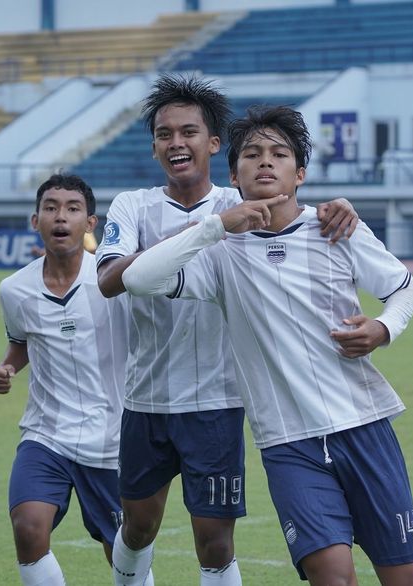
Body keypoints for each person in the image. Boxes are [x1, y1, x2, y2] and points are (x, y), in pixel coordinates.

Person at [120, 106, 413, 586]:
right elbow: (138, 279)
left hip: (364, 426)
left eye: (279, 153)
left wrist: (384, 327)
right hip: (289, 444)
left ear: (300, 172)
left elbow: (405, 288)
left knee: (405, 579)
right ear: (234, 175)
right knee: (332, 578)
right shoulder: (220, 255)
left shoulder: (337, 229)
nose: (265, 161)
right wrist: (213, 227)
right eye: (252, 154)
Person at [96, 74, 359, 586]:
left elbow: (303, 218)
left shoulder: (246, 200)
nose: (177, 143)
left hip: (217, 401)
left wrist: (340, 207)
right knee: (138, 527)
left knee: (214, 541)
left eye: (189, 131)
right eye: (165, 134)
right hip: (145, 399)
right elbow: (110, 280)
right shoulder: (134, 206)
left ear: (213, 143)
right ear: (154, 147)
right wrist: (207, 231)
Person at [0, 174, 151, 586]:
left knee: (123, 553)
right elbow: (20, 342)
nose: (61, 216)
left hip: (111, 441)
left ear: (90, 223)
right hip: (46, 434)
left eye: (73, 208)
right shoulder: (14, 290)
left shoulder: (114, 281)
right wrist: (8, 368)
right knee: (28, 527)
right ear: (35, 220)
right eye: (51, 207)